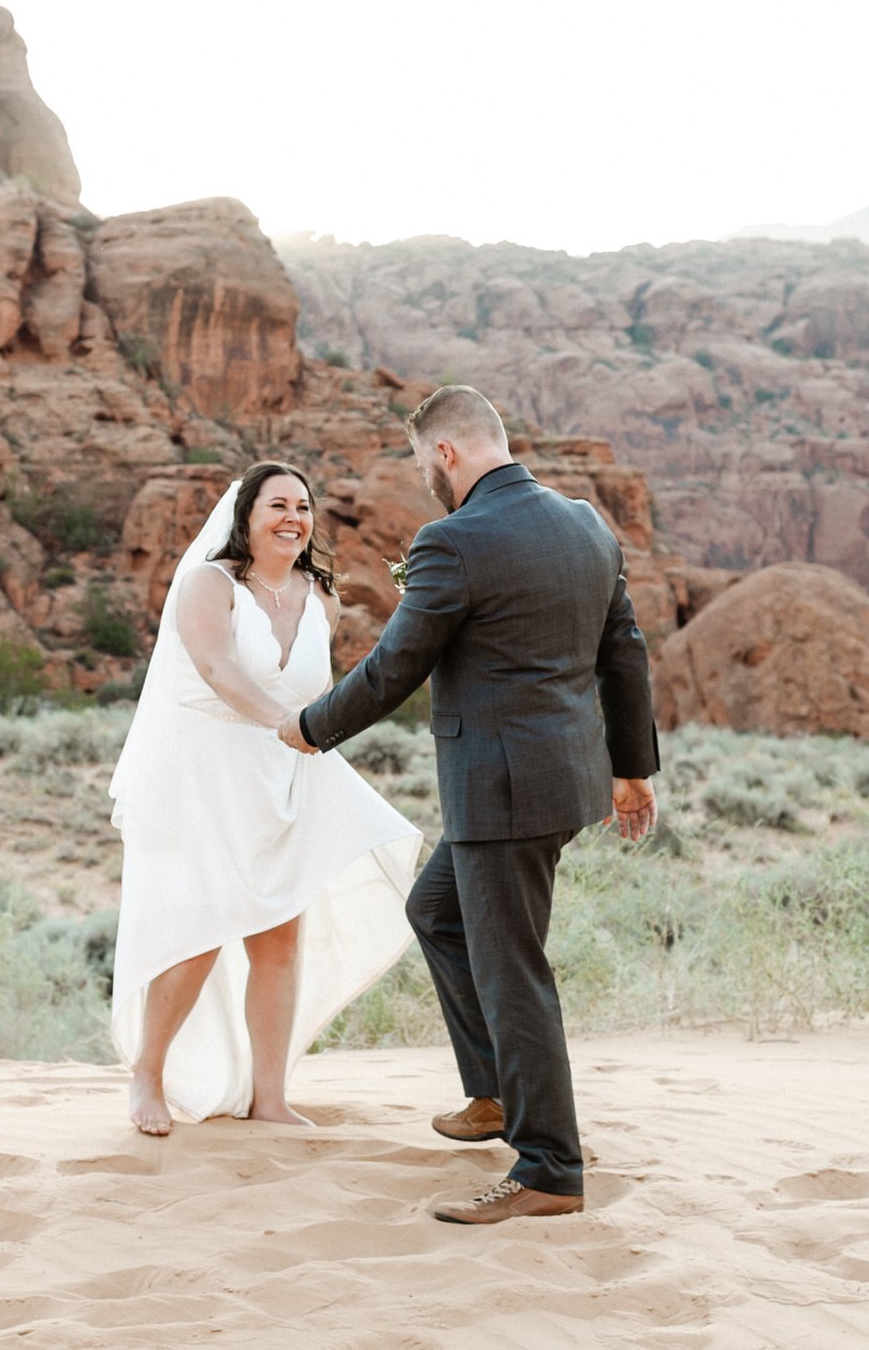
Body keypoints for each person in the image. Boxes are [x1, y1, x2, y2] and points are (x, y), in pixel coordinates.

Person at [283, 385, 660, 1225]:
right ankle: (494, 1094)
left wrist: (311, 728)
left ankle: (550, 1169)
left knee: (513, 971)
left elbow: (393, 667)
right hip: (562, 782)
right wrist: (632, 768)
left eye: (425, 464)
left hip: (501, 791)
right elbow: (623, 650)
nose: (427, 480)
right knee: (437, 911)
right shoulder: (585, 525)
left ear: (447, 453)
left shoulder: (454, 541)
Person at [108, 461, 421, 1136]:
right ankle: (147, 1074)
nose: (293, 519)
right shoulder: (208, 585)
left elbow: (315, 687)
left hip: (284, 779)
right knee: (198, 935)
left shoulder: (321, 597)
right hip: (207, 776)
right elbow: (217, 669)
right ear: (245, 517)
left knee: (279, 940)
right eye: (278, 505)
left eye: (303, 508)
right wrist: (285, 725)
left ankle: (270, 1096)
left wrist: (308, 729)